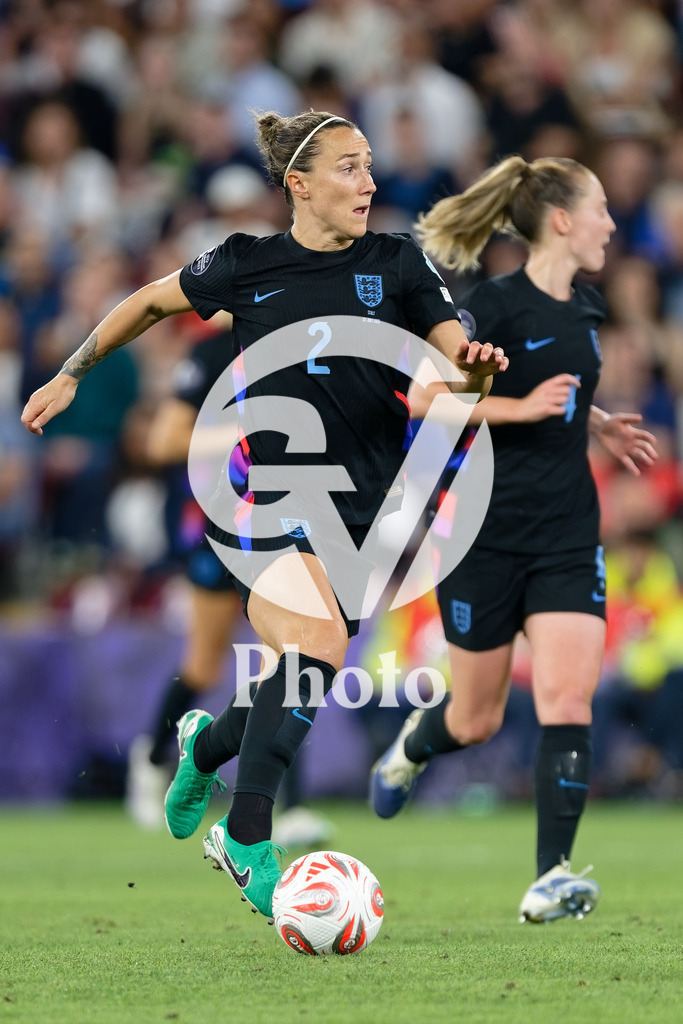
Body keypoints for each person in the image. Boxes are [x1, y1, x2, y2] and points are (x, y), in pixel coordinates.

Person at [21, 109, 507, 922]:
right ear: (299, 185)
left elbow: (456, 371)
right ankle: (246, 835)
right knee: (314, 645)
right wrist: (75, 371)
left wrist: (478, 377)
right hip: (262, 498)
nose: (369, 182)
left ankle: (204, 749)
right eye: (349, 168)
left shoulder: (396, 263)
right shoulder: (245, 264)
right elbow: (147, 303)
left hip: (362, 517)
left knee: (305, 667)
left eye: (369, 165)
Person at [369, 154, 658, 923]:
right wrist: (523, 410)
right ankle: (410, 749)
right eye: (598, 207)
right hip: (486, 538)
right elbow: (424, 398)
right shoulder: (492, 306)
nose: (609, 221)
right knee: (476, 718)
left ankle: (550, 876)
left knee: (568, 697)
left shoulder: (588, 310)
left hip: (566, 535)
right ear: (560, 219)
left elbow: (562, 391)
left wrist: (594, 423)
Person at [126, 328, 334, 849]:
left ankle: (289, 805)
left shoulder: (302, 340)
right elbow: (164, 441)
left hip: (282, 517)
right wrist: (246, 434)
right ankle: (152, 764)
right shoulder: (212, 350)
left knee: (291, 658)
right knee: (204, 662)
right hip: (218, 518)